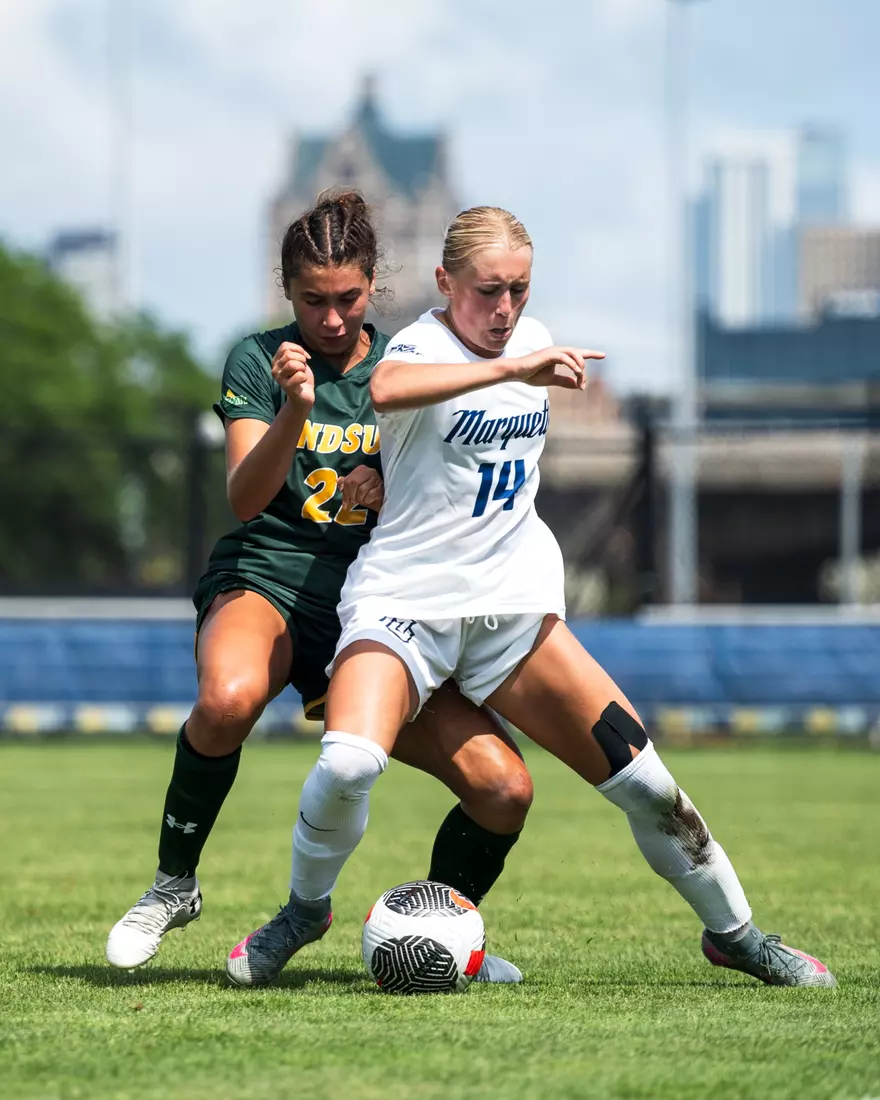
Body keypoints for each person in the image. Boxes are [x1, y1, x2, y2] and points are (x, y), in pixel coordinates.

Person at [230, 205, 836, 990]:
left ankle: (737, 936)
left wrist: (401, 456)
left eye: (519, 289)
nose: (505, 308)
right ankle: (303, 912)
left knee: (648, 785)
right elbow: (388, 387)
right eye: (488, 290)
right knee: (347, 765)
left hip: (511, 613)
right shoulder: (420, 346)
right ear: (445, 282)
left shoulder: (533, 337)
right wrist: (512, 369)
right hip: (403, 609)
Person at [106, 192, 533, 985]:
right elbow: (244, 498)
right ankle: (173, 885)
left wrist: (392, 484)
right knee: (228, 700)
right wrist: (295, 409)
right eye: (312, 301)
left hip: (378, 607)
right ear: (287, 291)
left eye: (348, 298)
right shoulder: (258, 358)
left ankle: (442, 932)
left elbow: (455, 491)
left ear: (374, 283)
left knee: (503, 788)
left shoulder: (410, 363)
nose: (331, 319)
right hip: (268, 577)